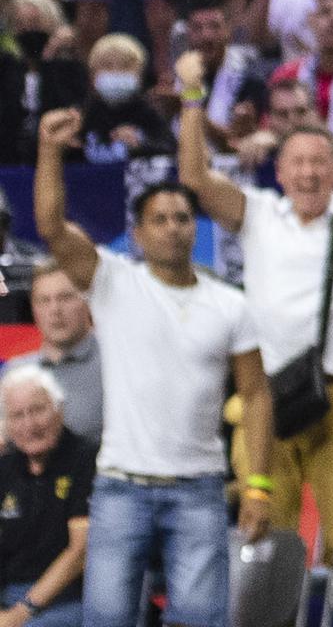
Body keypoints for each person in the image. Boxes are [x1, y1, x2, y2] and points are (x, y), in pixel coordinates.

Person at [32, 110, 270, 627]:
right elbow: (51, 227)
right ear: (136, 235)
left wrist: (257, 486)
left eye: (182, 218)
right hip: (121, 487)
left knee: (202, 621)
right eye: (158, 220)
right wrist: (50, 151)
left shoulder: (231, 304)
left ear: (195, 227)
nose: (172, 229)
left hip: (200, 488)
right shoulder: (113, 281)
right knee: (108, 620)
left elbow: (256, 395)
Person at [174, 45, 333, 556]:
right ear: (278, 172)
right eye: (297, 163)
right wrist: (192, 98)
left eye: (320, 162)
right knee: (265, 544)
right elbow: (194, 177)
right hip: (265, 400)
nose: (308, 173)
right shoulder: (258, 213)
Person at [0, 368, 89, 627]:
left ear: (59, 410)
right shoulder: (6, 468)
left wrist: (20, 613)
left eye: (38, 410)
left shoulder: (85, 459)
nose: (29, 425)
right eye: (17, 415)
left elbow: (80, 552)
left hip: (66, 600)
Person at [3, 265, 100, 445]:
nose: (55, 309)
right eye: (44, 300)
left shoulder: (115, 363)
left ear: (87, 300)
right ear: (33, 308)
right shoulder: (15, 372)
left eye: (65, 298)